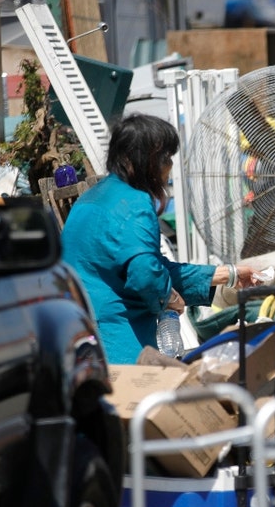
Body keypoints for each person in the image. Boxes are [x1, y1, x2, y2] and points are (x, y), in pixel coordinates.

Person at [62, 113, 260, 365]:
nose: (170, 167)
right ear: (146, 160)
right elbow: (146, 274)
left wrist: (228, 274)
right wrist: (168, 299)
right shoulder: (135, 203)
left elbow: (153, 268)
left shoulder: (91, 198)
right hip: (114, 338)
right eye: (166, 158)